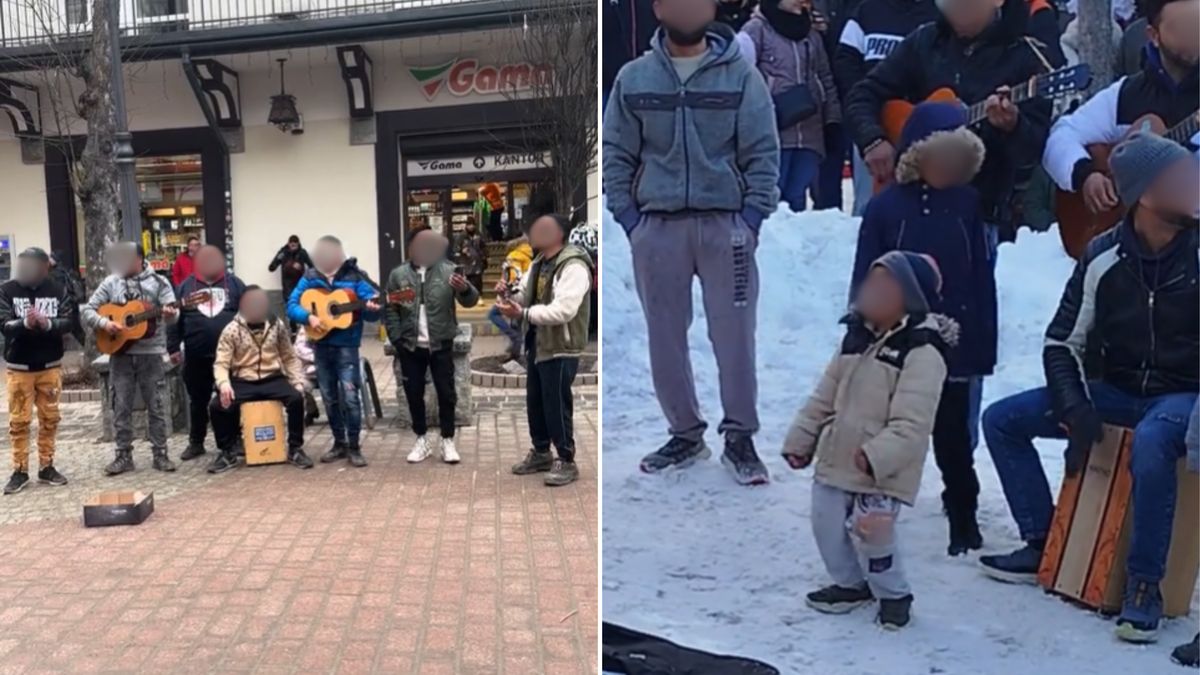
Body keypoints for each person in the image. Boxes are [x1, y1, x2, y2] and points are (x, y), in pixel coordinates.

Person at [979, 133, 1199, 645]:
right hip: (1119, 387)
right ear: (1145, 195)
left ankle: (1144, 584)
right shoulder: (1103, 254)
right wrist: (1074, 406)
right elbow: (1061, 341)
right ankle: (1043, 539)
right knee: (1003, 420)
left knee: (1152, 442)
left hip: (1184, 394)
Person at [603, 0, 781, 484]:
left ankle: (740, 436)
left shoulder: (740, 77)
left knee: (735, 335)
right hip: (657, 229)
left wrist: (751, 217)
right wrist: (630, 220)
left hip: (728, 228)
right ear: (659, 7)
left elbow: (763, 150)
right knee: (664, 336)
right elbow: (616, 151)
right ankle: (684, 432)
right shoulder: (634, 79)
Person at [849, 102, 996, 556]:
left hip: (951, 342)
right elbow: (866, 275)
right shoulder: (886, 208)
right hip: (897, 343)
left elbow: (980, 277)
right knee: (891, 435)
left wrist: (979, 344)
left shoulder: (968, 204)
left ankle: (963, 518)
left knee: (954, 439)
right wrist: (859, 337)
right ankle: (874, 520)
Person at [783, 251, 951, 630]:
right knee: (825, 524)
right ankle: (850, 584)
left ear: (910, 296)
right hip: (837, 456)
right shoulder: (854, 339)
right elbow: (822, 397)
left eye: (885, 286)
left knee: (873, 532)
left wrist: (876, 455)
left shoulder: (923, 352)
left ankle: (893, 593)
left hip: (881, 468)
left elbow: (913, 422)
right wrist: (801, 439)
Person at [844, 0, 1055, 245]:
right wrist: (872, 139)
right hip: (907, 206)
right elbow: (862, 96)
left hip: (978, 217)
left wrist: (1013, 126)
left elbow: (1033, 151)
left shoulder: (1028, 58)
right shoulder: (925, 42)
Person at [1042, 0, 1198, 250]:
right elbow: (1062, 135)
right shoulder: (1126, 94)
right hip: (1130, 250)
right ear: (1153, 36)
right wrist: (1086, 176)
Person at [500, 214, 594, 487]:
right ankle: (541, 451)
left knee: (556, 404)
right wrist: (509, 295)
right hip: (538, 343)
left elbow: (564, 309)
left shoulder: (574, 265)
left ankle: (566, 459)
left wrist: (525, 313)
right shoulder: (539, 262)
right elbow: (524, 295)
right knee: (536, 402)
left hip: (561, 346)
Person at [383, 227, 480, 465]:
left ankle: (447, 440)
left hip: (441, 344)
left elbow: (471, 300)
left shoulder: (448, 270)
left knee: (447, 394)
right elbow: (391, 308)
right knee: (414, 394)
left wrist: (464, 288)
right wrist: (397, 339)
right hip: (410, 347)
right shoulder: (399, 275)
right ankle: (421, 439)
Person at [833, 0, 939, 215]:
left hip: (920, 126)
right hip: (870, 125)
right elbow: (845, 60)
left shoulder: (938, 15)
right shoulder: (867, 10)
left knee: (921, 205)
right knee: (869, 205)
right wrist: (864, 103)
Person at [81, 242, 179, 475]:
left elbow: (173, 318)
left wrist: (171, 313)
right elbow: (87, 310)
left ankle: (160, 453)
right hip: (120, 353)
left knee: (155, 405)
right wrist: (105, 323)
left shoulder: (159, 283)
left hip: (151, 354)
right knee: (121, 405)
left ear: (139, 259)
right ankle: (123, 455)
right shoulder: (111, 282)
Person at [738, 0, 842, 214]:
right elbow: (741, 75)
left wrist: (832, 120)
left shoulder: (812, 34)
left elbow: (825, 78)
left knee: (796, 198)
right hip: (772, 131)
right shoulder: (756, 29)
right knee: (773, 197)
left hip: (810, 131)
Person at [286, 235, 381, 467]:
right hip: (321, 346)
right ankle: (339, 443)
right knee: (329, 398)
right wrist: (308, 316)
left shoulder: (355, 276)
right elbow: (292, 304)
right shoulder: (310, 277)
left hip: (347, 347)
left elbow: (372, 311)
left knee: (350, 397)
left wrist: (371, 308)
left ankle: (354, 446)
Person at [208, 286, 312, 473]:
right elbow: (221, 363)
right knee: (217, 406)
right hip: (243, 379)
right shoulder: (231, 330)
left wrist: (297, 381)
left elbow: (289, 356)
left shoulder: (276, 325)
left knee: (296, 398)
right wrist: (224, 384)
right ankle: (227, 451)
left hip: (272, 377)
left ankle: (295, 448)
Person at [0, 248, 74, 494]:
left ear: (45, 267)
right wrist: (24, 323)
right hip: (19, 366)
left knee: (50, 419)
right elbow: (4, 325)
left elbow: (68, 321)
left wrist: (47, 323)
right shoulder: (7, 290)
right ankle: (19, 470)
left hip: (50, 365)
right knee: (19, 421)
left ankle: (47, 466)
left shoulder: (57, 289)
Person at [167, 245, 246, 462]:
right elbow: (174, 319)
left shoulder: (235, 284)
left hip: (230, 356)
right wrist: (173, 347)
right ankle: (196, 442)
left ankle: (235, 439)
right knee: (197, 400)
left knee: (231, 398)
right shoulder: (184, 287)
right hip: (196, 354)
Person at [490, 234, 535, 359]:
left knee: (493, 314)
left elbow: (512, 276)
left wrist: (505, 293)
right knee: (518, 321)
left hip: (514, 292)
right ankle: (516, 351)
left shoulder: (513, 256)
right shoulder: (528, 256)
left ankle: (514, 339)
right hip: (525, 293)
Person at [47, 249, 86, 346]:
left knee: (66, 328)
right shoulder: (67, 271)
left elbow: (56, 290)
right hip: (73, 303)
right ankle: (86, 344)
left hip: (64, 304)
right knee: (76, 328)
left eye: (50, 258)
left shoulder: (55, 274)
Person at [269, 235, 315, 303]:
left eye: (295, 245)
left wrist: (301, 268)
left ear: (298, 244)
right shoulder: (283, 253)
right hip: (287, 285)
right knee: (289, 303)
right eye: (291, 245)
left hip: (300, 284)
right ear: (288, 243)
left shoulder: (302, 253)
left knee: (300, 304)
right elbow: (271, 268)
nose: (293, 247)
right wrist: (280, 260)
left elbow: (312, 267)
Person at [454, 221, 487, 293]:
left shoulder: (478, 235)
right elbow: (456, 248)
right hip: (466, 263)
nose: (471, 226)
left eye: (472, 224)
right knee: (467, 280)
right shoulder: (461, 236)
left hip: (477, 262)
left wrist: (484, 256)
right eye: (469, 224)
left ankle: (479, 295)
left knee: (478, 280)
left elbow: (483, 247)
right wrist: (461, 251)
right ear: (466, 226)